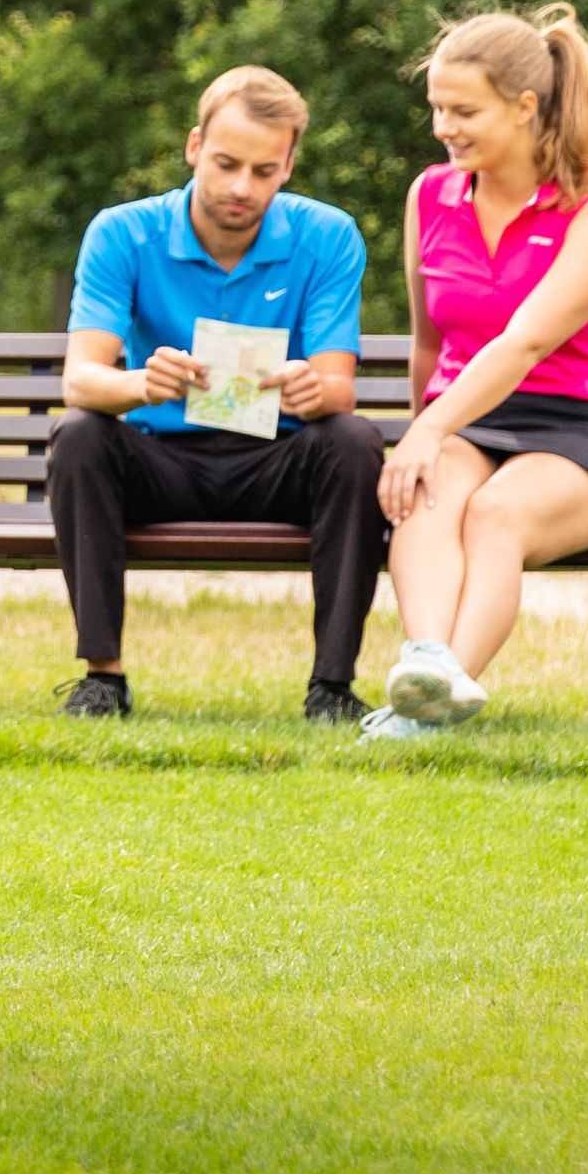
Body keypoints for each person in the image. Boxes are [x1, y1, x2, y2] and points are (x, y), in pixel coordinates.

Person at [46, 67, 384, 723]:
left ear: (289, 165)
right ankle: (102, 680)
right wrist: (141, 384)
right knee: (80, 433)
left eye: (264, 170)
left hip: (276, 463)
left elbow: (338, 387)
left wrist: (314, 389)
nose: (241, 187)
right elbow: (81, 380)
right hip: (159, 461)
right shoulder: (122, 232)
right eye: (227, 163)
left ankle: (332, 690)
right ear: (194, 146)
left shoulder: (328, 235)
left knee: (353, 442)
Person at [365, 8, 588, 740]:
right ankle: (427, 668)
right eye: (435, 109)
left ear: (524, 108)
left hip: (575, 432)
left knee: (495, 513)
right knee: (424, 495)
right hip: (468, 420)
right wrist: (424, 437)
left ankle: (427, 713)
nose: (442, 128)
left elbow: (524, 345)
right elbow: (430, 341)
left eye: (463, 111)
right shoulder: (431, 195)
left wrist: (428, 428)